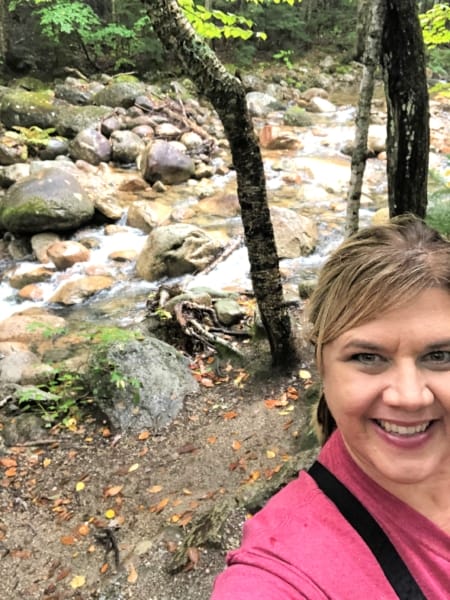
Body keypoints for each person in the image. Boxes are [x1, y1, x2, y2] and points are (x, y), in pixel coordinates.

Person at [210, 215, 450, 599]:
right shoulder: (283, 568)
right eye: (368, 357)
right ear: (321, 364)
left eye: (439, 355)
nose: (409, 396)